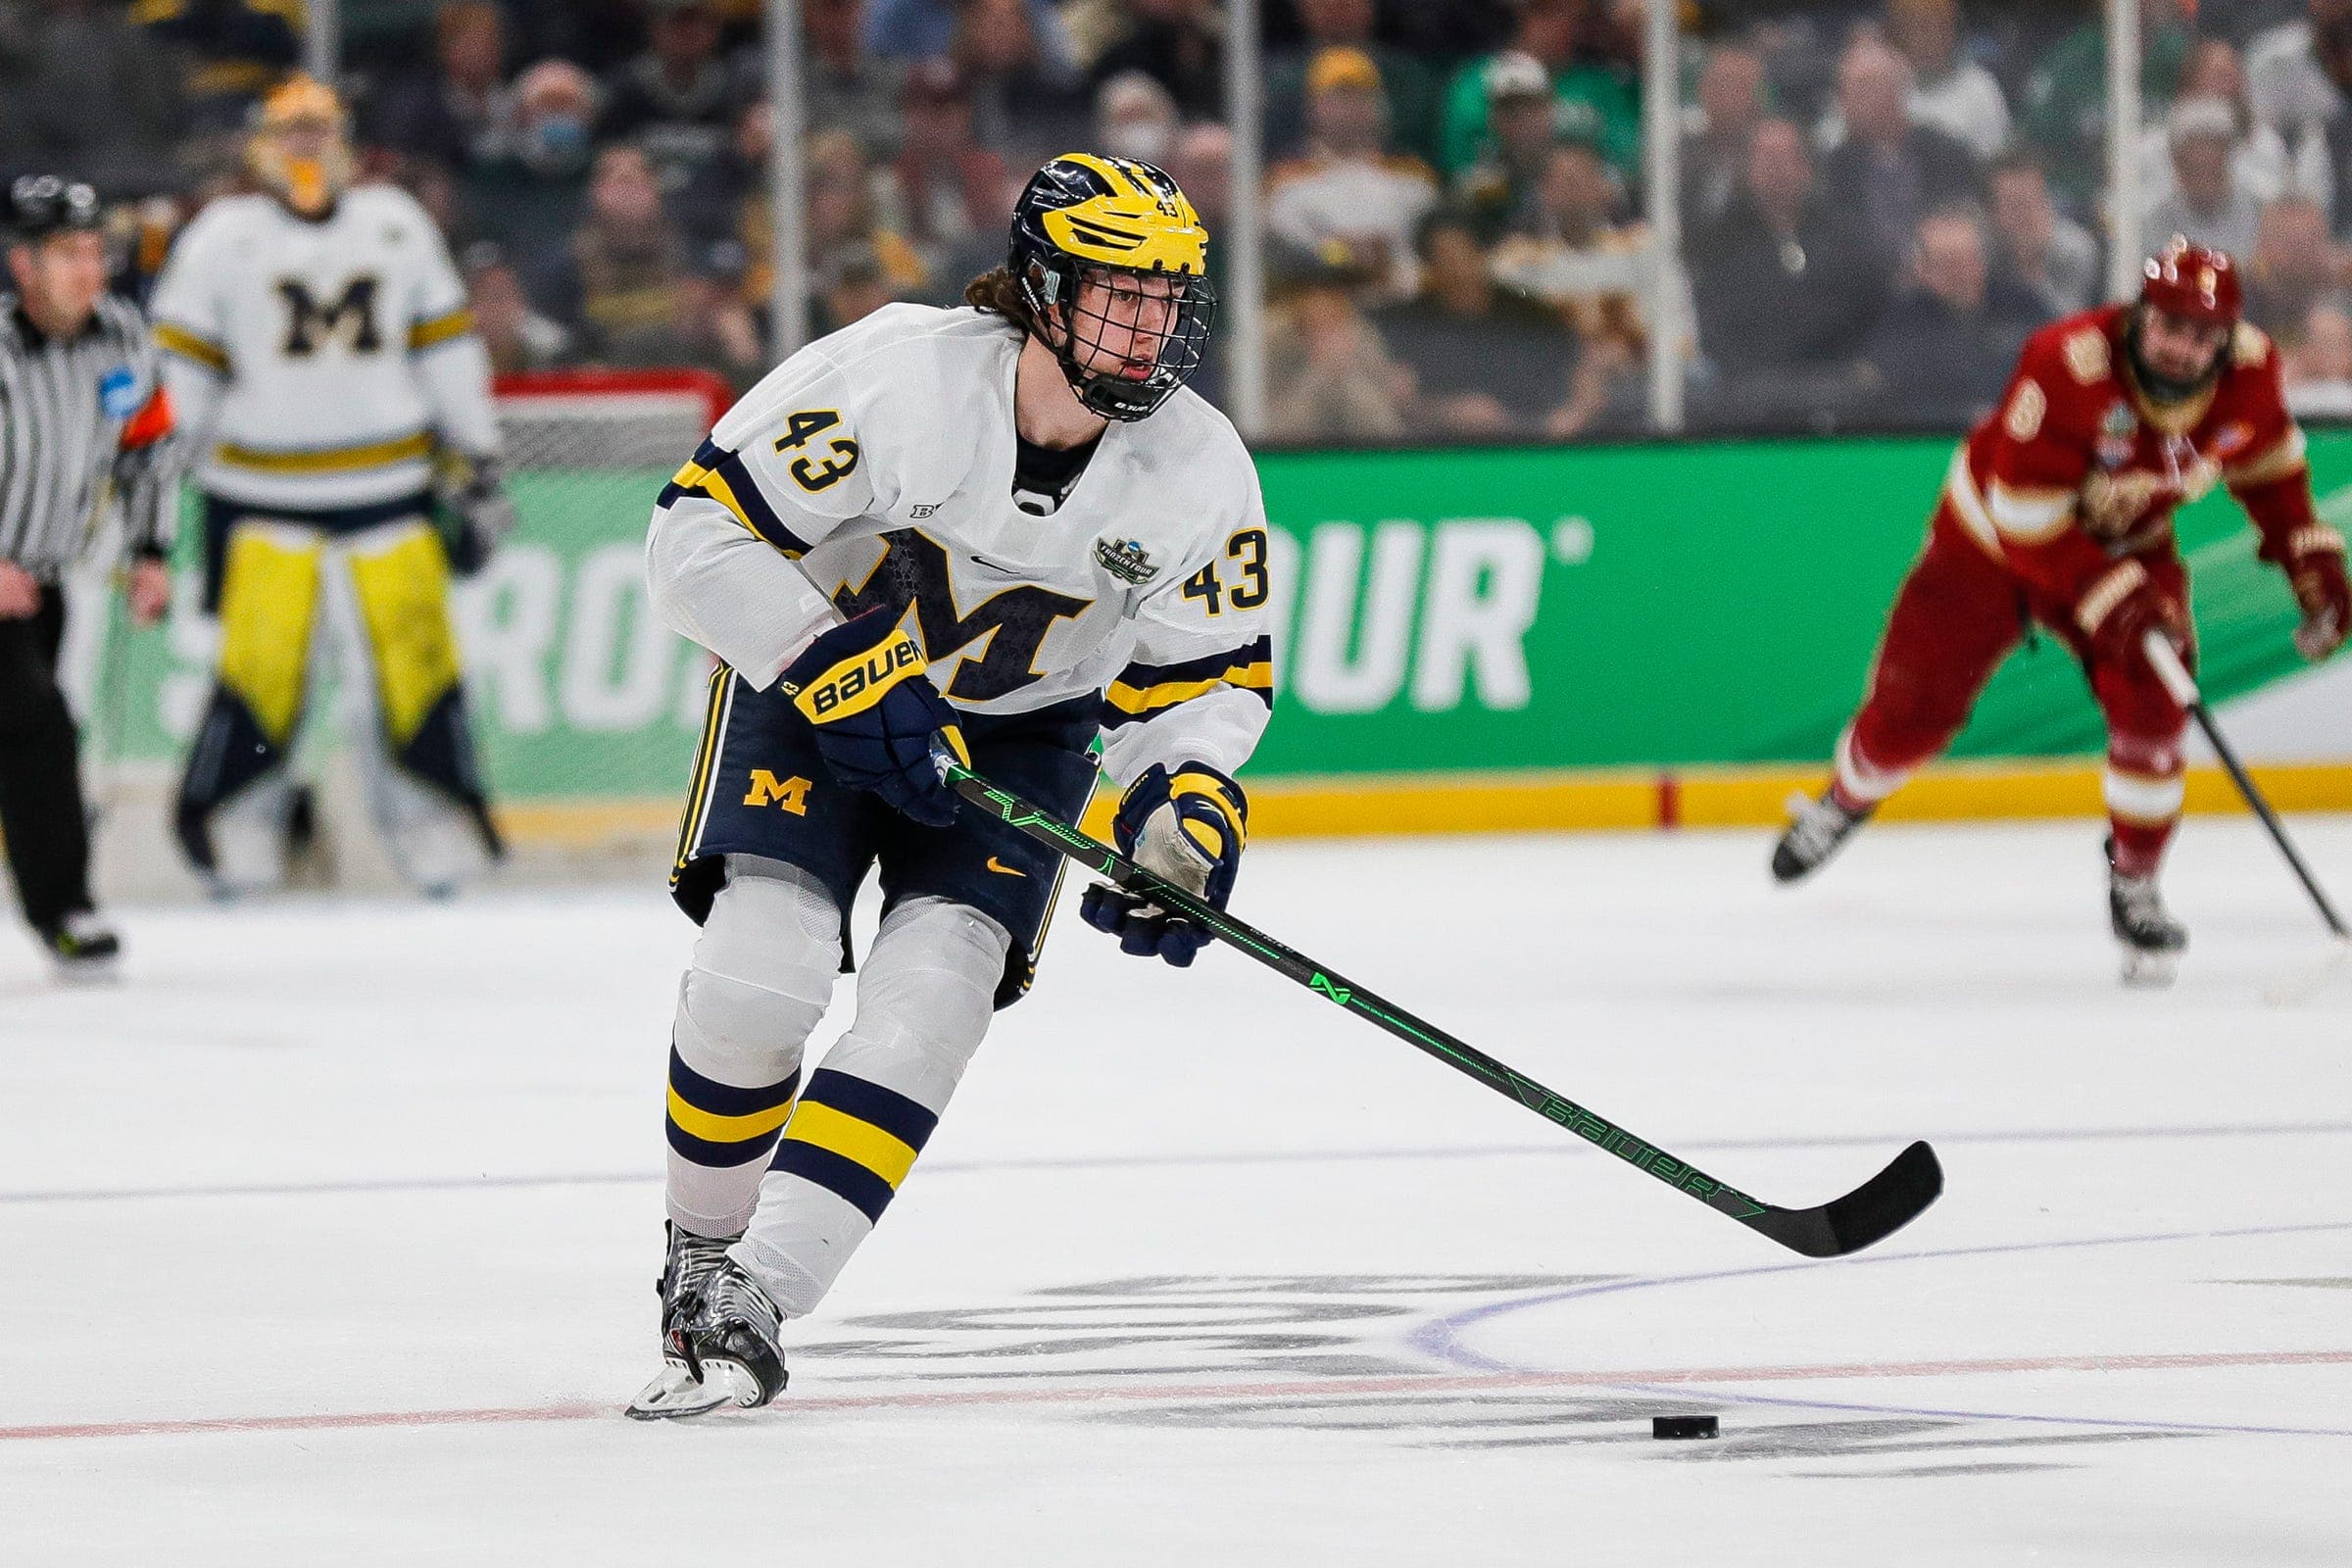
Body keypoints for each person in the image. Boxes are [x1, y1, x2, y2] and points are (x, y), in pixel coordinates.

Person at [626, 153, 1272, 1417]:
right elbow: (693, 533)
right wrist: (827, 661)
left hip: (1024, 740)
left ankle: (756, 1289)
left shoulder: (1200, 469)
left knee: (932, 998)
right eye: (1119, 293)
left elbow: (1203, 683)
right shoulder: (897, 379)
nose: (1150, 327)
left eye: (1167, 299)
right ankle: (697, 1252)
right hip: (816, 699)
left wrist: (1183, 807)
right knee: (764, 969)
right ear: (1041, 286)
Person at [1772, 240, 2351, 985]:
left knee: (2156, 702)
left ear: (2228, 336)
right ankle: (1846, 798)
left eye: (2203, 335)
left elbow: (2270, 469)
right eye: (2170, 325)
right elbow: (2025, 515)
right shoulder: (2067, 362)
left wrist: (2309, 558)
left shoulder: (2251, 371)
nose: (2184, 348)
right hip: (1989, 543)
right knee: (1912, 713)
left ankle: (2135, 881)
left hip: (2128, 545)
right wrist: (2112, 595)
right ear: (2141, 313)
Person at [150, 77, 514, 900]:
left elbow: (446, 348)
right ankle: (238, 852)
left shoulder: (395, 222)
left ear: (345, 136)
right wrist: (165, 461)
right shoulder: (222, 236)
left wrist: (479, 455)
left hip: (390, 487)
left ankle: (438, 849)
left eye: (320, 128)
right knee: (261, 677)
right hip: (261, 494)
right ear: (260, 141)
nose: (307, 145)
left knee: (415, 674)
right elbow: (184, 368)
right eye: (291, 129)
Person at [0, 176, 176, 973]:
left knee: (35, 736)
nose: (89, 267)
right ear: (23, 264)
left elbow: (147, 447)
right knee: (37, 729)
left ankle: (62, 907)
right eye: (67, 253)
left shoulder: (121, 337)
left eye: (94, 250)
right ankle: (64, 908)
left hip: (39, 585)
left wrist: (150, 553)